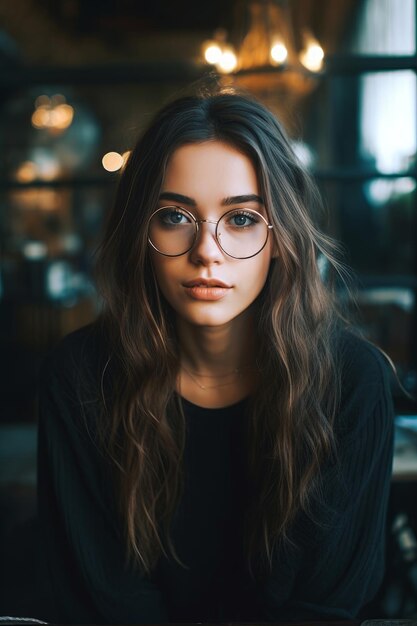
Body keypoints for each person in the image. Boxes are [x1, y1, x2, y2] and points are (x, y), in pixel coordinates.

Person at [36, 89, 394, 624]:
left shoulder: (352, 383)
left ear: (281, 238)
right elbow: (100, 603)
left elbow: (324, 609)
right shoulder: (83, 376)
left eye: (243, 219)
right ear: (141, 231)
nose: (207, 250)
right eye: (175, 216)